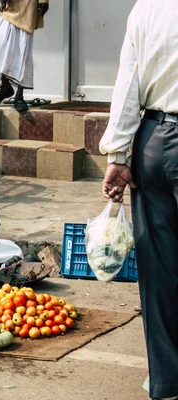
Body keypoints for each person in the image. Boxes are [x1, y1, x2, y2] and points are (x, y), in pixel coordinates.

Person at [99, 1, 178, 399]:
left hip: (154, 142)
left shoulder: (147, 8)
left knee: (159, 267)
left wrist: (116, 155)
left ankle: (166, 382)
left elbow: (127, 85)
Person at [0, 0, 49, 113]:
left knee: (22, 51)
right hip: (5, 7)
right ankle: (5, 88)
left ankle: (19, 96)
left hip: (26, 7)